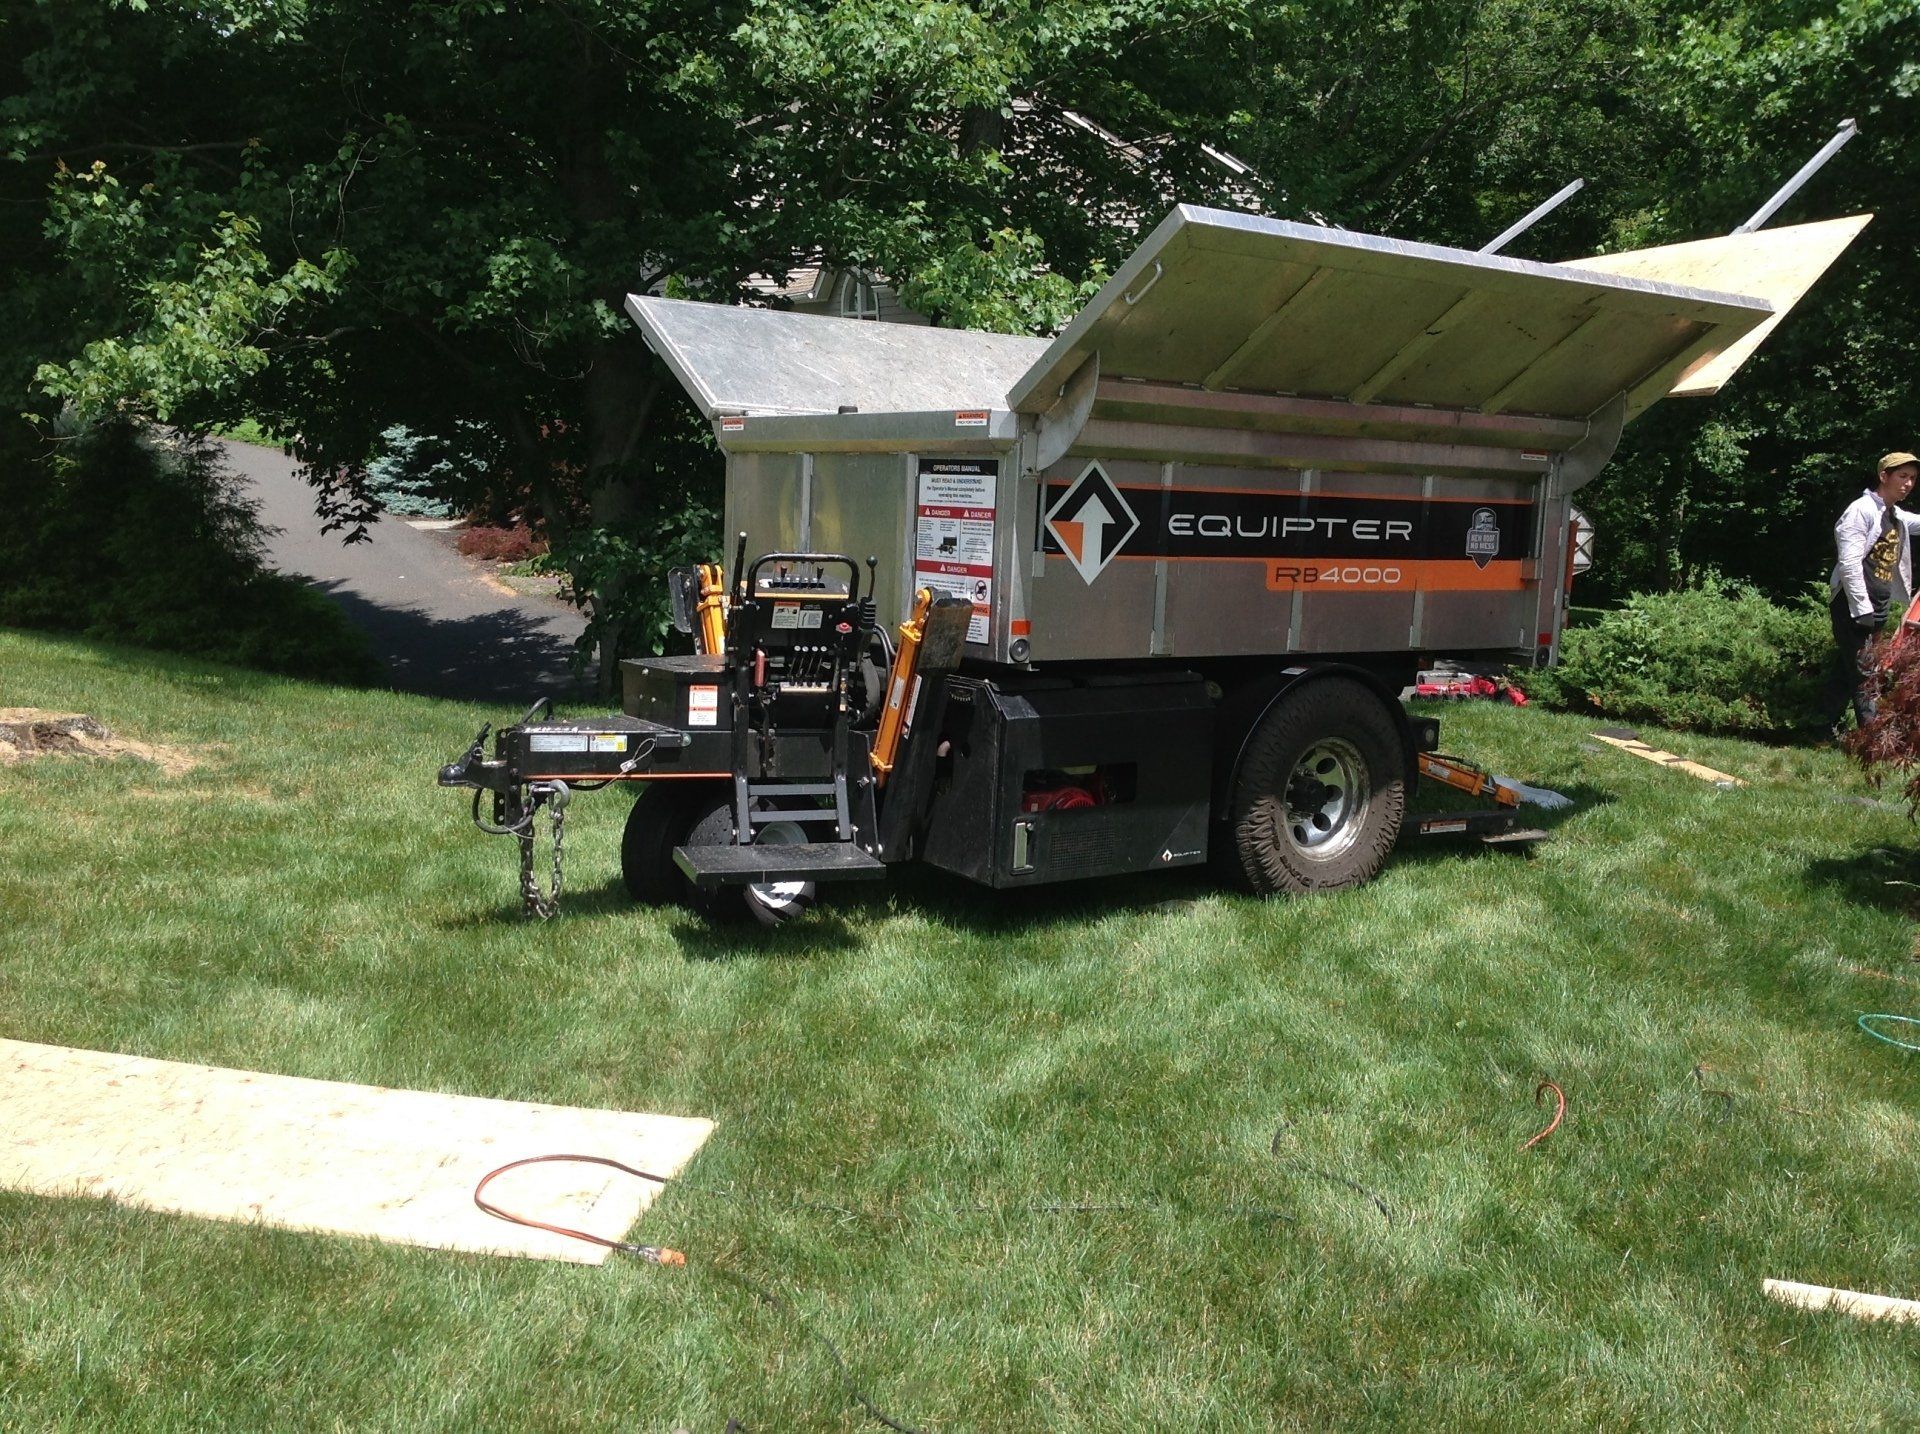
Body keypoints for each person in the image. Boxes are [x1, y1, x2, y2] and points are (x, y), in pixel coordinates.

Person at [1826, 451, 1920, 732]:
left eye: (1913, 478)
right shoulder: (1861, 511)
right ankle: (1874, 738)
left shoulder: (1894, 514)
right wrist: (1861, 608)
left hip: (1876, 608)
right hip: (1853, 607)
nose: (1908, 483)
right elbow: (1849, 564)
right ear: (1883, 476)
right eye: (1902, 476)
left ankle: (1820, 725)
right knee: (1866, 674)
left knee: (1847, 670)